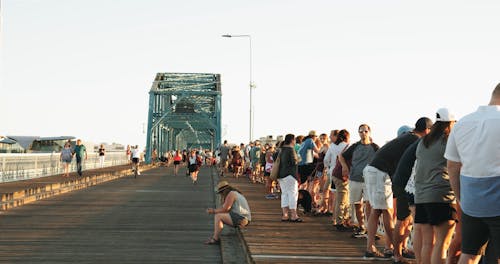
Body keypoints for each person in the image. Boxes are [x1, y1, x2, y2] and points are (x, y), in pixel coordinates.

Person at [445, 84, 500, 264]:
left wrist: (462, 199)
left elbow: (452, 166)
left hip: (471, 203)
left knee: (469, 254)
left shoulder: (463, 123)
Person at [363, 117, 433, 259]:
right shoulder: (415, 140)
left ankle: (378, 247)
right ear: (427, 130)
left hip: (374, 170)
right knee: (387, 212)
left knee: (377, 211)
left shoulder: (408, 137)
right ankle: (394, 250)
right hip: (380, 172)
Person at [414, 108, 457, 264]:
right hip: (441, 196)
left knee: (428, 243)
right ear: (449, 123)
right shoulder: (448, 141)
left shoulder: (423, 142)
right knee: (442, 243)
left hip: (421, 197)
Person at [339, 124, 379, 236]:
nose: (363, 133)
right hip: (355, 178)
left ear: (369, 132)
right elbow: (341, 156)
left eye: (365, 131)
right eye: (361, 131)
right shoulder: (355, 146)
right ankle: (361, 226)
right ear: (358, 133)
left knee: (369, 205)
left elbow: (382, 158)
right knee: (357, 204)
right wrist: (344, 166)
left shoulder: (375, 147)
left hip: (369, 180)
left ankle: (370, 228)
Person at [329, 129, 352, 230]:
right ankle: (340, 222)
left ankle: (340, 220)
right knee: (342, 200)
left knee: (340, 198)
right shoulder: (348, 147)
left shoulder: (333, 146)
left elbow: (327, 159)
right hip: (341, 175)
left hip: (335, 173)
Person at [276, 134, 302, 222]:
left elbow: (274, 157)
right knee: (293, 194)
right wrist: (299, 159)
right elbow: (294, 162)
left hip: (281, 175)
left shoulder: (280, 150)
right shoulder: (291, 150)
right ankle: (294, 215)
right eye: (294, 140)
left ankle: (285, 215)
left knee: (284, 194)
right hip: (290, 175)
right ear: (292, 140)